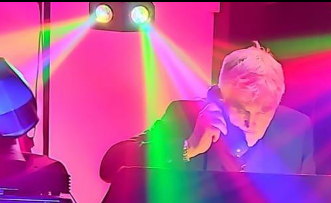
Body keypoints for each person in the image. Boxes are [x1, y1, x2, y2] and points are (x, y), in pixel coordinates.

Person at [100, 41, 315, 182]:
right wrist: (188, 147)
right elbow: (111, 166)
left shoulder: (296, 127)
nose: (252, 123)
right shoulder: (185, 115)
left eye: (265, 110)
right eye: (241, 109)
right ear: (220, 97)